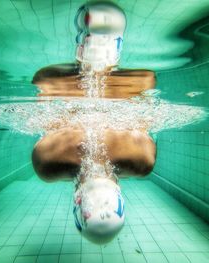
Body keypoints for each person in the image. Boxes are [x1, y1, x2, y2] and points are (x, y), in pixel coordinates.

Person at [31, 1, 157, 244]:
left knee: (145, 80)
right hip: (63, 85)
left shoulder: (144, 160)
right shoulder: (46, 164)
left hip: (128, 87)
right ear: (76, 201)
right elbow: (44, 111)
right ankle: (92, 56)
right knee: (45, 79)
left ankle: (104, 56)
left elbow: (145, 114)